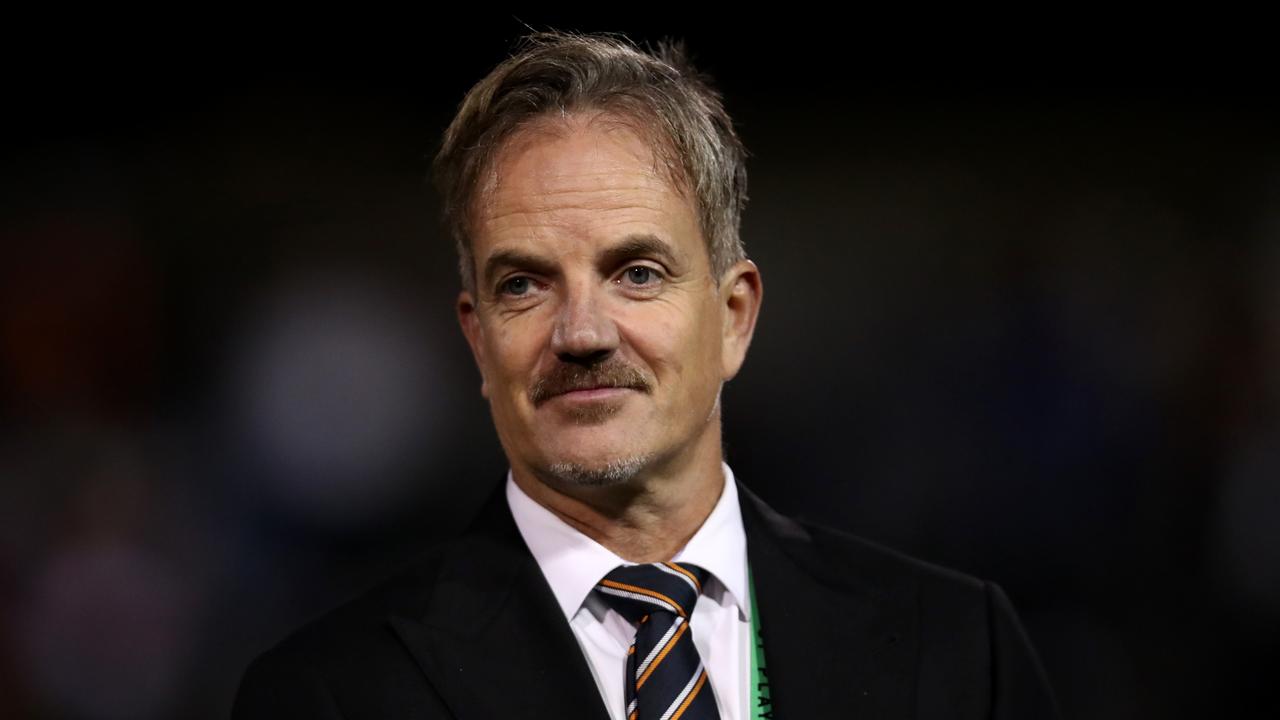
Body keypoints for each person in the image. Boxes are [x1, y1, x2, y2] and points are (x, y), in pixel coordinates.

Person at [233, 31, 1060, 719]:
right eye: (524, 284)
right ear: (479, 342)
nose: (583, 333)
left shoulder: (956, 654)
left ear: (734, 316)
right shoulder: (327, 696)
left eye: (636, 272)